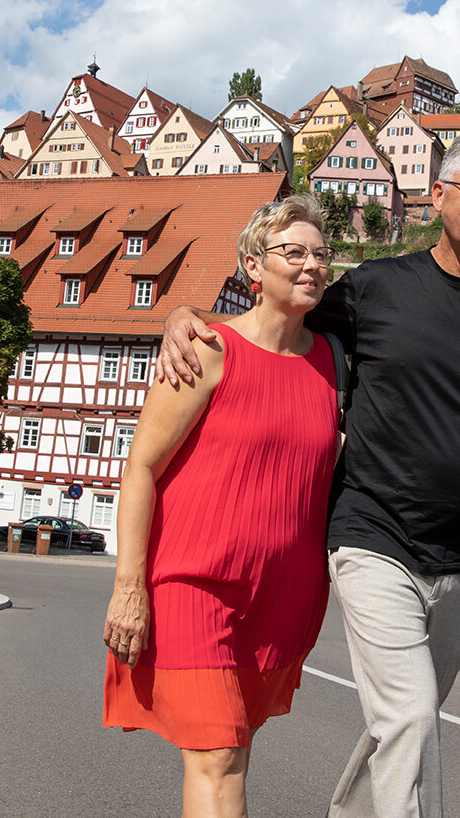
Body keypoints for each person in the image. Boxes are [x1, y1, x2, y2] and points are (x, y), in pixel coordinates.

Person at [159, 128, 460, 818]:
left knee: (402, 725)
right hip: (373, 539)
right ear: (437, 195)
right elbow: (268, 322)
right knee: (411, 717)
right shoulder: (375, 288)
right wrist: (184, 315)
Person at [104, 194, 341, 818]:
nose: (311, 265)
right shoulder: (206, 351)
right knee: (216, 754)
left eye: (321, 254)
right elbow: (142, 467)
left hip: (283, 595)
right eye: (293, 252)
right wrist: (130, 585)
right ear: (253, 267)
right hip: (195, 582)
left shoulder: (334, 361)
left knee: (235, 747)